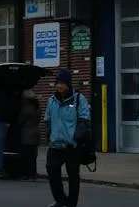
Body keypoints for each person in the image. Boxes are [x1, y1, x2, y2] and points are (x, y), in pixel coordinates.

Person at [44, 69, 91, 206]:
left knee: (73, 177)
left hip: (72, 146)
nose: (58, 86)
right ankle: (60, 200)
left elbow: (84, 119)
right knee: (52, 171)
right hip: (55, 145)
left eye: (61, 83)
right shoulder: (51, 100)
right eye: (57, 83)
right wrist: (49, 134)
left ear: (68, 84)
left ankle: (71, 203)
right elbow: (47, 119)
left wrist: (76, 137)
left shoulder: (78, 99)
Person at [16, 88, 40, 180]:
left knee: (26, 155)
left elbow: (20, 120)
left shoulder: (27, 108)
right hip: (35, 132)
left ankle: (27, 173)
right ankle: (33, 173)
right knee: (33, 155)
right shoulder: (37, 107)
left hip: (27, 134)